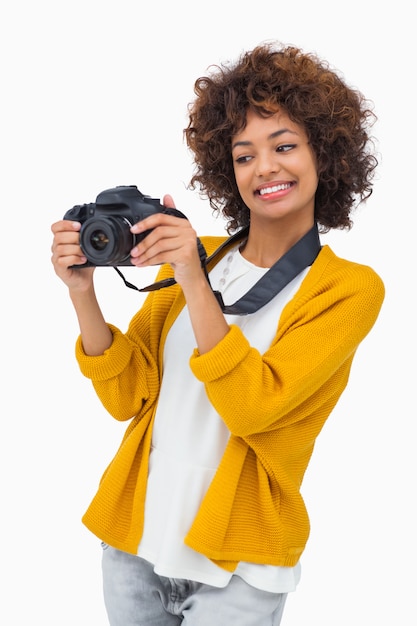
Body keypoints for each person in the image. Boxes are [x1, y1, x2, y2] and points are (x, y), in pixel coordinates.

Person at [51, 42, 385, 625]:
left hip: (240, 569)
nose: (265, 168)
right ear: (226, 169)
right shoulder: (197, 256)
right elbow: (126, 397)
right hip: (135, 546)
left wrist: (192, 279)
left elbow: (254, 406)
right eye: (244, 154)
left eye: (284, 146)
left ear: (325, 155)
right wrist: (82, 292)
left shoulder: (348, 288)